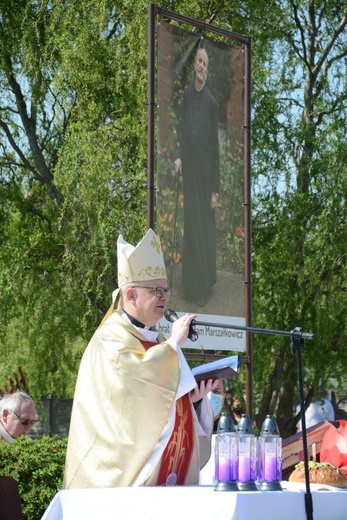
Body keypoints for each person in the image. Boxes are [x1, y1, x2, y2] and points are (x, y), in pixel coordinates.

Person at [63, 228, 218, 489]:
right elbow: (132, 394)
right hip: (114, 479)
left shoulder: (155, 341)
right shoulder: (110, 338)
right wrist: (174, 343)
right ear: (131, 295)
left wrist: (192, 400)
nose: (165, 298)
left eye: (166, 291)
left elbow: (155, 396)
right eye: (157, 291)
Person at [174, 46, 220, 307]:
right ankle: (189, 284)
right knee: (191, 226)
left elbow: (215, 149)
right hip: (190, 173)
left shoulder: (212, 102)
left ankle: (202, 286)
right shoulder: (188, 95)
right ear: (194, 66)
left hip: (205, 176)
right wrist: (179, 156)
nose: (202, 66)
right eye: (199, 61)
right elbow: (182, 132)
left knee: (203, 229)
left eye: (205, 63)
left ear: (208, 70)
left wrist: (215, 189)